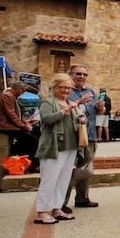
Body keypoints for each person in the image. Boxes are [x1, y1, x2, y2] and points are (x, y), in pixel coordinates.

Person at [33, 74, 82, 224]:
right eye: (63, 87)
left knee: (63, 180)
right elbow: (47, 119)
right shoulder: (48, 102)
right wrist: (67, 109)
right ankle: (42, 211)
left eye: (69, 88)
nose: (66, 91)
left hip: (70, 146)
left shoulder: (69, 103)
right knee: (49, 180)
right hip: (54, 147)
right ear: (55, 88)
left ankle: (56, 208)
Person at [64, 64, 105, 210]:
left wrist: (101, 108)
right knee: (68, 169)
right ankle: (61, 203)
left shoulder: (91, 92)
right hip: (72, 136)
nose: (82, 77)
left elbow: (97, 113)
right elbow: (62, 109)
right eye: (79, 74)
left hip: (90, 135)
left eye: (84, 74)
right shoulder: (66, 90)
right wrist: (78, 103)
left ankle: (82, 198)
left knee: (86, 169)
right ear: (71, 75)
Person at [0, 82, 40, 173]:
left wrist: (26, 123)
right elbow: (11, 114)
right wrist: (23, 126)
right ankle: (34, 165)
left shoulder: (14, 98)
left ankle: (27, 162)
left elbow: (19, 114)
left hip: (14, 126)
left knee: (35, 135)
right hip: (6, 127)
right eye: (22, 90)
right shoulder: (7, 96)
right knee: (33, 140)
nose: (23, 92)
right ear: (18, 88)